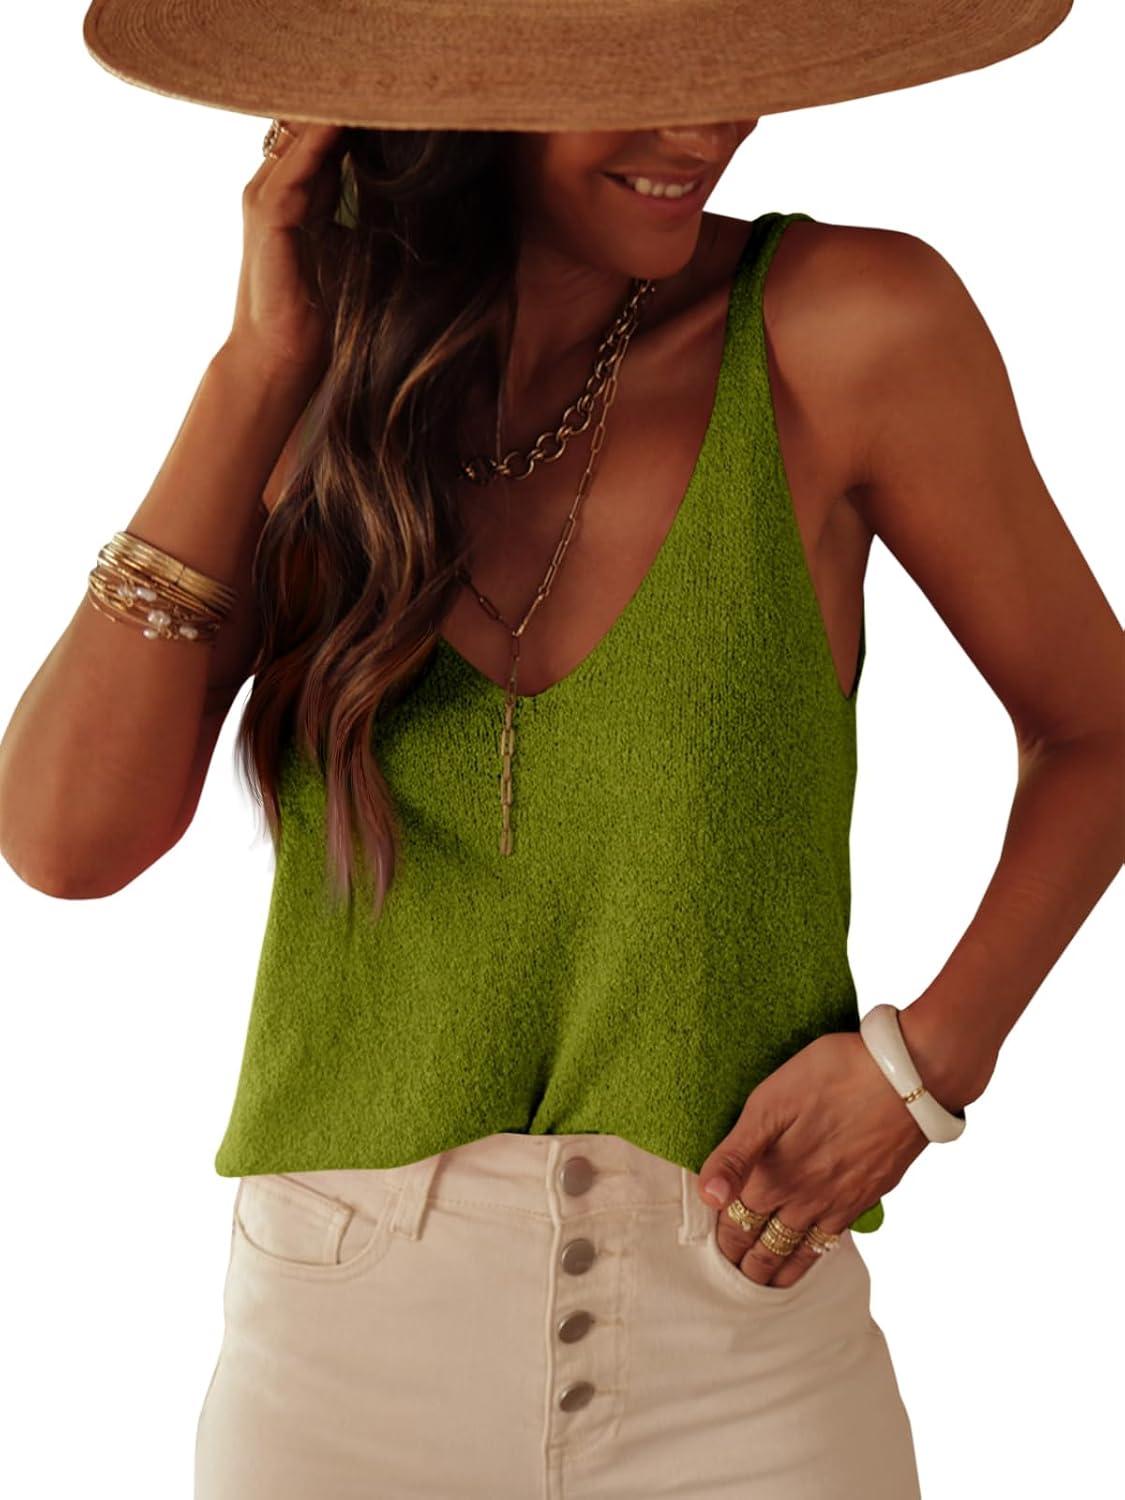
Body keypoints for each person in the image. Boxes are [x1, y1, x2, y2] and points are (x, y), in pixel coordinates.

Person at [1, 0, 1118, 1495]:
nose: (705, 125)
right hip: (338, 1360)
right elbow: (67, 842)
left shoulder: (841, 326)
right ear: (458, 92)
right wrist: (259, 363)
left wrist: (928, 1065)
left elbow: (1099, 729)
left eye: (726, 66)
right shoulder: (328, 388)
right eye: (630, 77)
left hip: (743, 1344)